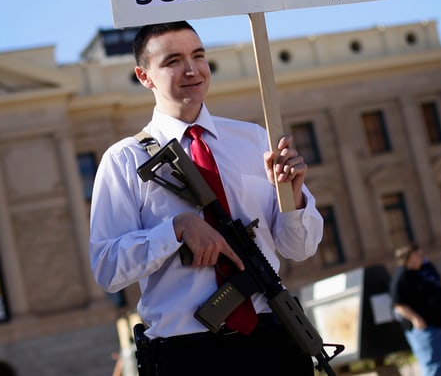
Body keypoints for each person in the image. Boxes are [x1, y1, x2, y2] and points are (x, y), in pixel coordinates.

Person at [88, 21, 325, 376]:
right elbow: (107, 268)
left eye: (198, 55)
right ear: (144, 75)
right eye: (172, 61)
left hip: (273, 337)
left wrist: (293, 201)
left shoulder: (254, 140)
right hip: (189, 351)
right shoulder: (124, 160)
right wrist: (176, 231)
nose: (191, 69)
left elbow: (300, 247)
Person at [390, 243, 441, 376]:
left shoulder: (426, 269)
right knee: (434, 368)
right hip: (427, 330)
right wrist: (416, 319)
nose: (421, 254)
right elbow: (398, 304)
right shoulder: (402, 275)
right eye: (416, 253)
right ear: (408, 257)